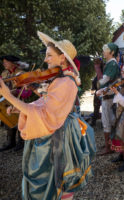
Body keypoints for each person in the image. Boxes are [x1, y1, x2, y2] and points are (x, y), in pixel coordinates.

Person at [0, 31, 96, 200]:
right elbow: (45, 102)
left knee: (54, 177)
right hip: (56, 127)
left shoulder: (66, 82)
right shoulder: (60, 80)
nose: (45, 60)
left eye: (49, 55)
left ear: (63, 58)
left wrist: (8, 97)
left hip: (58, 133)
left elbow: (45, 114)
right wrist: (21, 108)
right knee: (52, 179)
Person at [0, 55, 32, 151]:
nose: (4, 63)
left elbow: (28, 92)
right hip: (6, 101)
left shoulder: (21, 73)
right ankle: (11, 142)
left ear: (12, 62)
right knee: (8, 121)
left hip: (19, 101)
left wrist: (16, 92)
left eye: (6, 62)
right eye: (3, 62)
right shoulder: (4, 73)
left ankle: (21, 142)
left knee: (20, 122)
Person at [96, 43, 120, 155]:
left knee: (108, 121)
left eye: (105, 50)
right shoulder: (110, 63)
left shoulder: (113, 64)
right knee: (109, 120)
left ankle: (109, 147)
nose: (103, 52)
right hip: (108, 96)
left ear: (112, 52)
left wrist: (97, 68)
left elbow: (103, 81)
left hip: (109, 97)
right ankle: (110, 144)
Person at [91, 58, 104, 127]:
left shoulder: (104, 73)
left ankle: (103, 123)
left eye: (97, 66)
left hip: (104, 92)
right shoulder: (97, 76)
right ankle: (94, 122)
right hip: (97, 93)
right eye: (95, 66)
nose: (96, 67)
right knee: (96, 107)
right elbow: (94, 85)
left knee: (104, 109)